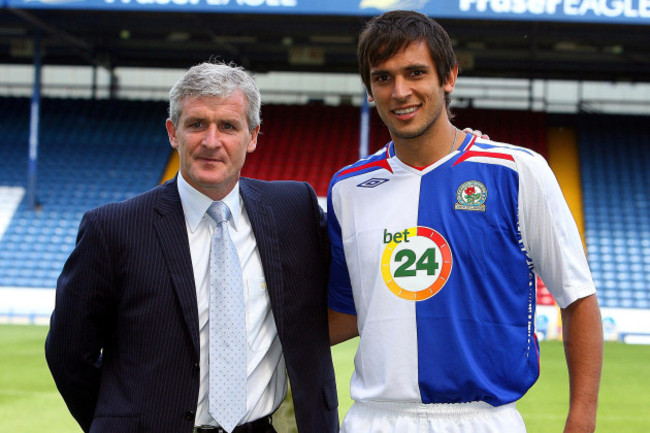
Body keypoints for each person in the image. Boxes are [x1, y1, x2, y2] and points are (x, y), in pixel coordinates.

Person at [327, 10, 603, 433]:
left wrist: (581, 420)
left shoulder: (517, 171)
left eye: (415, 73)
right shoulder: (349, 187)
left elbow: (578, 298)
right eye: (383, 78)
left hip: (481, 419)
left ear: (449, 77)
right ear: (369, 89)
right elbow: (346, 312)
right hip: (373, 419)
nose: (400, 91)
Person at [45, 61, 338, 433]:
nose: (211, 141)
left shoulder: (294, 209)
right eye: (197, 124)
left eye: (228, 126)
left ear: (253, 136)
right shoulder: (113, 228)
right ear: (173, 131)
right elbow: (69, 354)